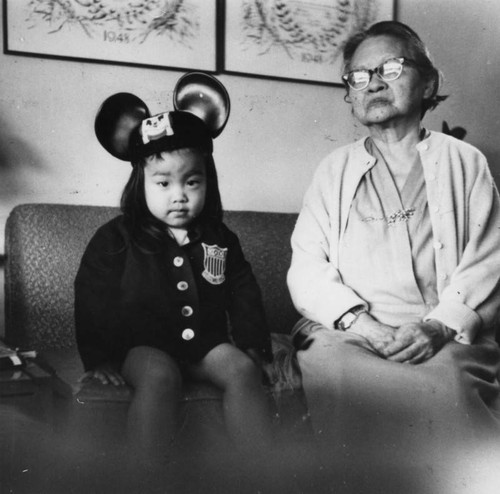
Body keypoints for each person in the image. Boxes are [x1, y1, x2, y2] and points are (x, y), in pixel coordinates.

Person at [287, 21, 500, 493]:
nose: (375, 82)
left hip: (440, 334)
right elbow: (307, 267)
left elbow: (490, 260)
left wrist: (436, 327)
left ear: (427, 82)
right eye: (359, 76)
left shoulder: (465, 162)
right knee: (338, 372)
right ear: (351, 95)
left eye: (390, 67)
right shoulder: (333, 170)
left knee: (447, 389)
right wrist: (365, 327)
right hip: (353, 335)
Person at [74, 74, 274, 469]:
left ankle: (263, 472)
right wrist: (100, 360)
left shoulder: (220, 237)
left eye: (192, 181)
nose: (179, 194)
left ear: (208, 183)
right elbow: (92, 296)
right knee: (159, 375)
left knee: (241, 370)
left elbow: (243, 291)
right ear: (141, 183)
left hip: (203, 345)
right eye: (163, 182)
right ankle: (147, 477)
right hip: (142, 347)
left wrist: (254, 347)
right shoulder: (116, 237)